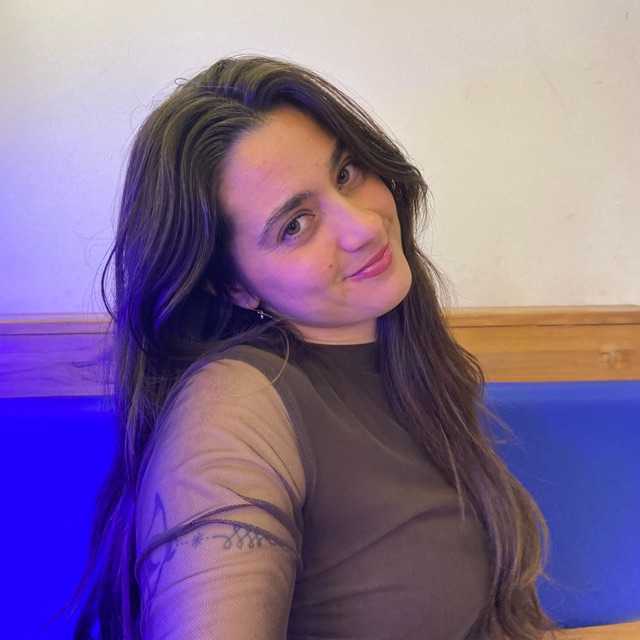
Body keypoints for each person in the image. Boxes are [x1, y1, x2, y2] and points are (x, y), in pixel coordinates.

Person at [64, 54, 561, 639]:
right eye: (295, 225)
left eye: (346, 172)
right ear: (233, 286)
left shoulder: (406, 364)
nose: (364, 227)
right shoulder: (234, 406)